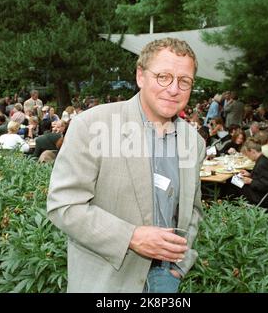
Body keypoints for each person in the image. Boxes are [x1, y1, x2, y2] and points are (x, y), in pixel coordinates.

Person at [47, 37, 205, 293]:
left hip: (167, 279)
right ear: (140, 76)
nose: (174, 89)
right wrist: (131, 237)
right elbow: (65, 205)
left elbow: (193, 210)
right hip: (108, 282)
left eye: (184, 81)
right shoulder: (92, 125)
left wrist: (181, 264)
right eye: (163, 76)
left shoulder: (193, 142)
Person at [224, 138, 268, 210]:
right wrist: (249, 175)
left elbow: (265, 185)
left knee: (230, 182)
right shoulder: (263, 160)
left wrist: (250, 181)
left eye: (247, 154)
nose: (247, 157)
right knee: (233, 181)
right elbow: (261, 178)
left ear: (252, 151)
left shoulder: (262, 164)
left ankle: (228, 207)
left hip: (260, 197)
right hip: (264, 195)